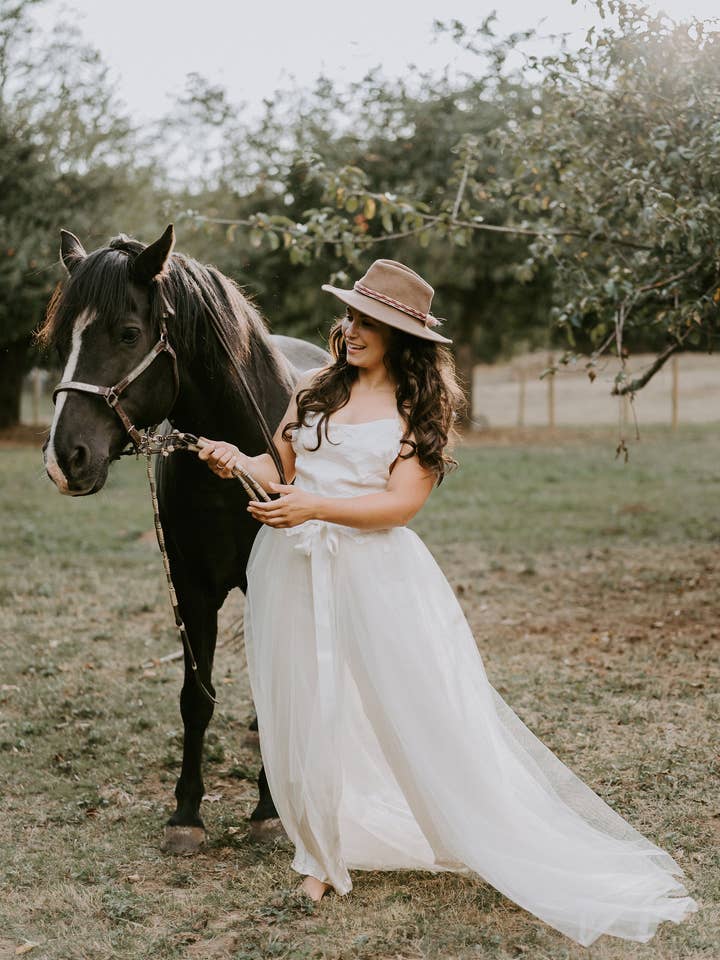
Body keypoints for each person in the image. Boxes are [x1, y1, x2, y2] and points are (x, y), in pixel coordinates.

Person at [198, 259, 698, 947]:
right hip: (293, 567)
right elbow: (279, 470)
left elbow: (400, 505)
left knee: (421, 708)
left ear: (402, 336)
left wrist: (315, 506)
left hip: (377, 575)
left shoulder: (421, 407)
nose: (353, 332)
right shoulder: (313, 388)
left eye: (371, 323)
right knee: (308, 703)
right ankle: (318, 854)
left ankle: (479, 824)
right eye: (352, 318)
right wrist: (237, 461)